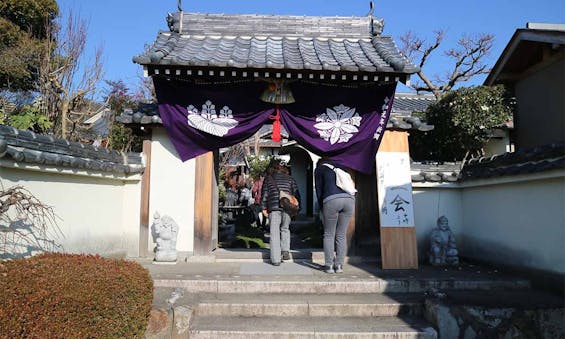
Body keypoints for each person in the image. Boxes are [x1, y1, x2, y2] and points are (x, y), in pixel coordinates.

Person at [315, 158, 355, 274]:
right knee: (341, 234)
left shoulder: (320, 169)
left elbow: (319, 189)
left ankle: (329, 266)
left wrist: (321, 208)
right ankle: (339, 266)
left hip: (331, 200)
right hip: (349, 200)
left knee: (329, 234)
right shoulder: (343, 167)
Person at [261, 159, 301, 266]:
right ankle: (285, 251)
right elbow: (297, 195)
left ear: (272, 168)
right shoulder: (290, 179)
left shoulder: (268, 179)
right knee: (285, 229)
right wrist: (297, 209)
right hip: (287, 208)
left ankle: (275, 259)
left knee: (274, 232)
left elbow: (265, 194)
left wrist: (264, 207)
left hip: (274, 207)